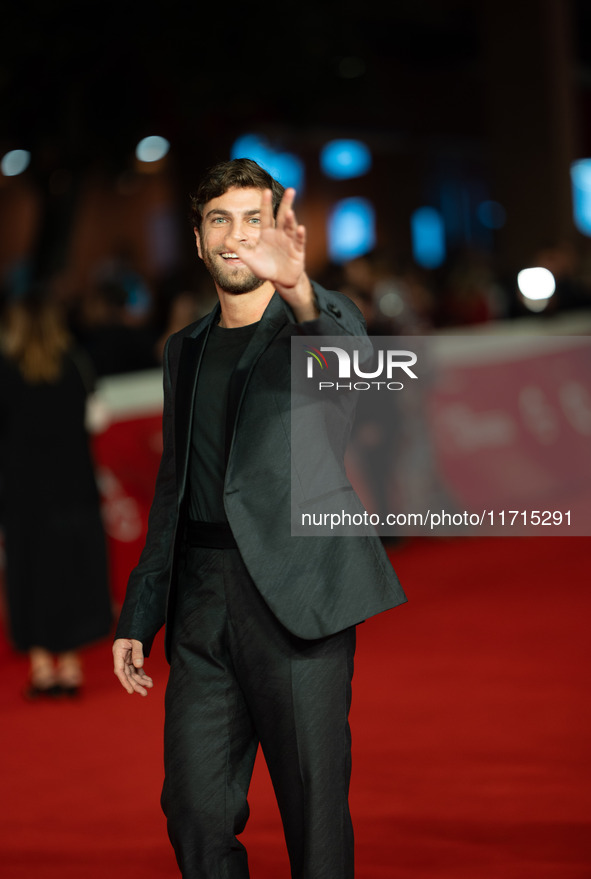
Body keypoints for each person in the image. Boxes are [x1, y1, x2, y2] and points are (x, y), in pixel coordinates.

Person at [112, 159, 407, 878]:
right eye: (220, 220)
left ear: (280, 229)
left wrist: (299, 287)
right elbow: (173, 484)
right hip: (201, 600)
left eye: (254, 219)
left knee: (313, 813)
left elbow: (352, 373)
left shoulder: (319, 319)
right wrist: (138, 611)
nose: (237, 236)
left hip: (299, 592)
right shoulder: (183, 349)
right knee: (193, 809)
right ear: (198, 237)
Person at [0, 294, 112, 697]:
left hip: (23, 494)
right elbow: (98, 418)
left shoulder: (5, 369)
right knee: (72, 573)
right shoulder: (76, 365)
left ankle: (43, 666)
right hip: (73, 488)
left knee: (32, 574)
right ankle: (71, 666)